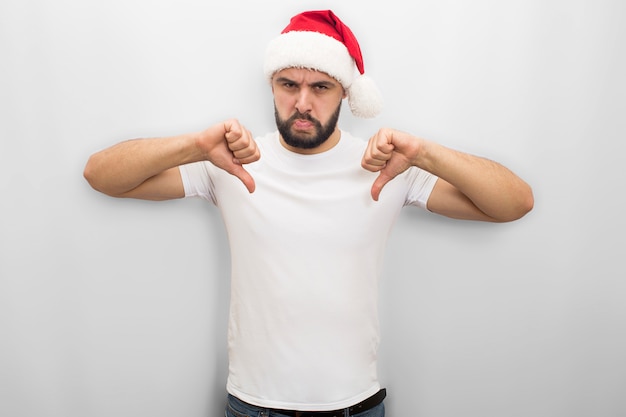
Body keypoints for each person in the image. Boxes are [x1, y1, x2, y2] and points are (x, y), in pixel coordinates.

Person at [83, 10, 533, 417]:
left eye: (320, 87)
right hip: (255, 406)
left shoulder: (390, 169)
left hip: (355, 405)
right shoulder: (228, 163)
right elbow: (101, 175)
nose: (302, 102)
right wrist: (196, 146)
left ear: (344, 93)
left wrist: (423, 154)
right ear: (272, 86)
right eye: (288, 84)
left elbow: (514, 204)